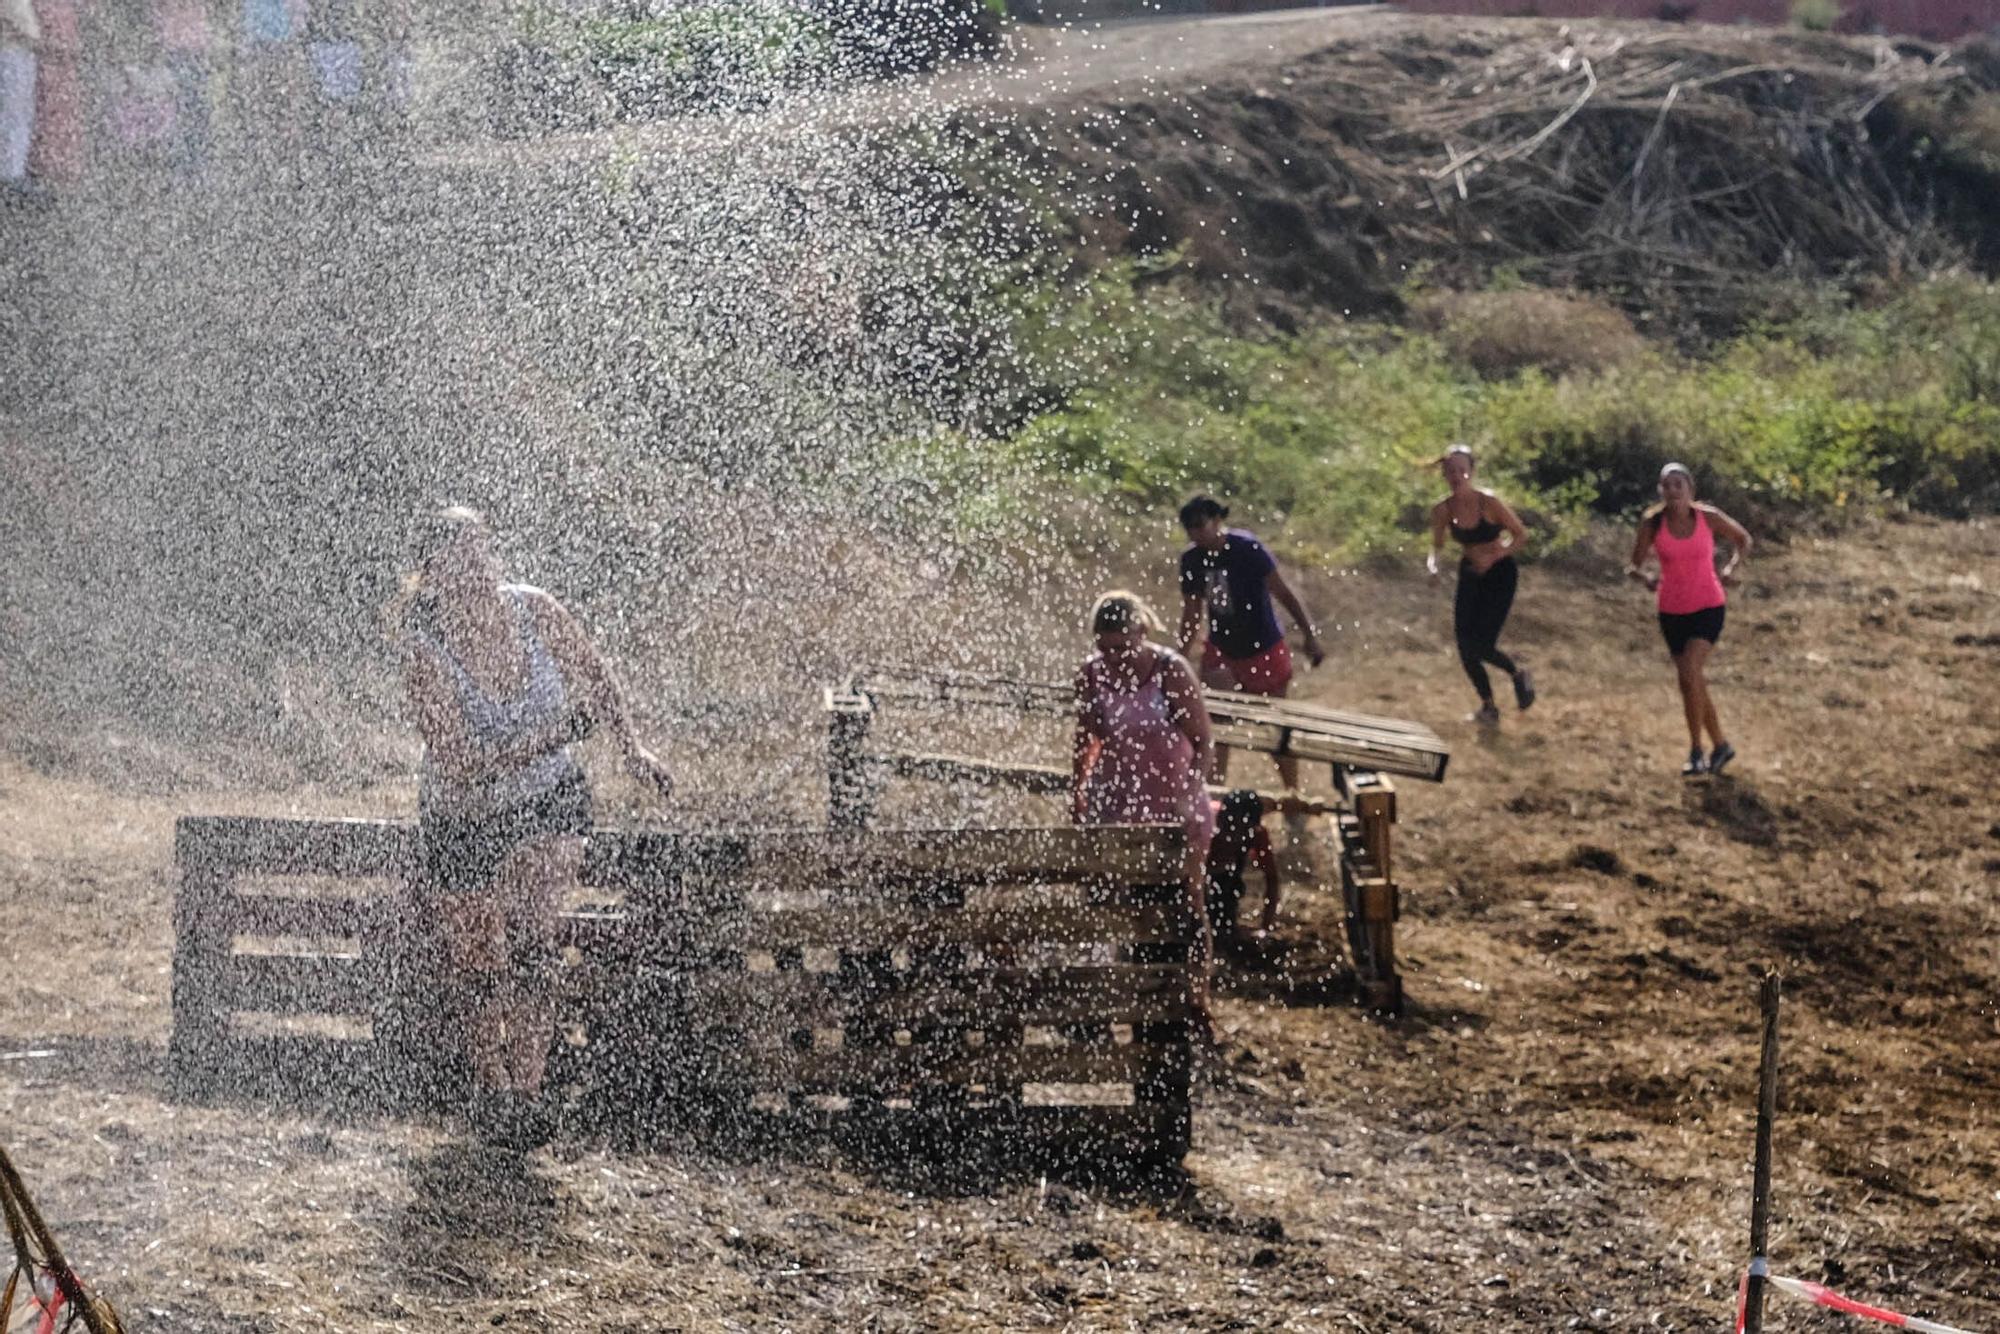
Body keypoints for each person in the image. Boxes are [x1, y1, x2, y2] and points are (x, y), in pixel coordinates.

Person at [401, 505, 674, 1146]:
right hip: (461, 812)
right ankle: (491, 1089)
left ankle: (526, 1093)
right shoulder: (424, 653)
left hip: (546, 799)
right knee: (478, 962)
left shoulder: (533, 608)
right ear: (430, 574)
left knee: (531, 941)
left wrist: (632, 747)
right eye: (458, 556)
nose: (475, 565)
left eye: (481, 549)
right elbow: (463, 766)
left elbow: (595, 673)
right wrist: (555, 733)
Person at [1071, 591, 1218, 1028]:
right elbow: (1085, 741)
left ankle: (1196, 997)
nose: (1114, 657)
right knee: (1108, 895)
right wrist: (1076, 794)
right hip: (1116, 797)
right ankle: (1111, 994)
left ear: (1142, 632)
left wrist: (1189, 795)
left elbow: (1204, 742)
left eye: (1122, 647)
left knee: (1186, 900)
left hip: (1172, 796)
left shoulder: (1169, 670)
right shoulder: (1091, 674)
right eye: (1105, 647)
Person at [1175, 495, 1326, 793]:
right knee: (1215, 725)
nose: (1195, 533)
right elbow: (1192, 614)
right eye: (1189, 528)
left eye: (1199, 525)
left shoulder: (1246, 549)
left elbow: (1282, 592)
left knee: (1273, 728)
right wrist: (1178, 659)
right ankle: (1212, 798)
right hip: (1221, 650)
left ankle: (1292, 794)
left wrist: (1309, 635)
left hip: (1263, 648)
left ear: (1217, 521)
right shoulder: (1192, 560)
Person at [1627, 463, 1752, 776]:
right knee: (1689, 682)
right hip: (1671, 611)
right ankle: (1721, 745)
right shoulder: (1652, 523)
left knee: (1691, 670)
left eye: (1677, 485)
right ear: (1660, 490)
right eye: (1666, 485)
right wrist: (1646, 579)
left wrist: (1730, 569)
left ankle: (1697, 750)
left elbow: (1743, 539)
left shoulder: (1706, 516)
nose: (1672, 491)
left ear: (1690, 490)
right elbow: (1634, 565)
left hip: (1708, 605)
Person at [1426, 444, 1535, 725]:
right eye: (1451, 470)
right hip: (1471, 574)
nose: (1456, 475)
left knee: (1483, 644)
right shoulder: (1442, 509)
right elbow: (1436, 547)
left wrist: (1497, 554)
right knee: (1464, 645)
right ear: (1444, 474)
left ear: (1471, 472)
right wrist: (1432, 567)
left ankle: (1517, 673)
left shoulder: (1488, 502)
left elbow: (1521, 535)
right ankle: (1488, 706)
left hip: (1500, 574)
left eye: (1462, 470)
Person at [1205, 789, 1279, 946]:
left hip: (1226, 875)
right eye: (1228, 825)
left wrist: (1265, 928)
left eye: (1240, 829)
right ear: (1221, 818)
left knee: (1228, 895)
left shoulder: (1256, 835)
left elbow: (1272, 879)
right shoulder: (1205, 826)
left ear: (1253, 826)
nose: (1232, 834)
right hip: (1197, 871)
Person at [0, 0, 36, 191]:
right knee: (12, 114)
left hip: (22, 50)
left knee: (21, 113)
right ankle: (10, 172)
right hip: (11, 48)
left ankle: (16, 169)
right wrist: (26, 33)